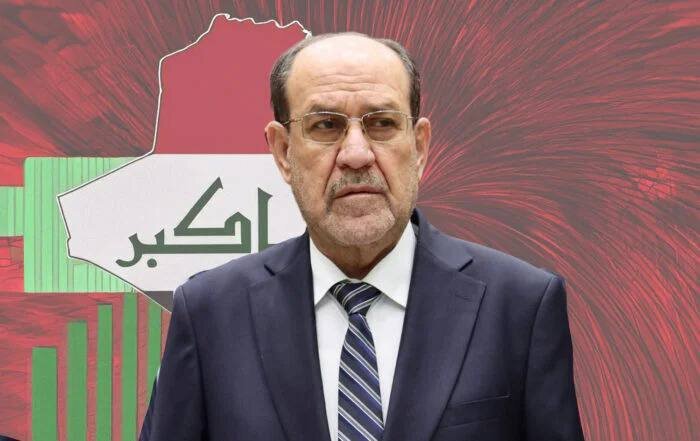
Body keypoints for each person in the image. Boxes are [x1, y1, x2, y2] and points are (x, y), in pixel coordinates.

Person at [140, 32, 585, 441]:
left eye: (382, 124)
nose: (356, 154)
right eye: (326, 126)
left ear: (420, 146)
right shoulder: (211, 313)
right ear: (283, 152)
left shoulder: (520, 306)